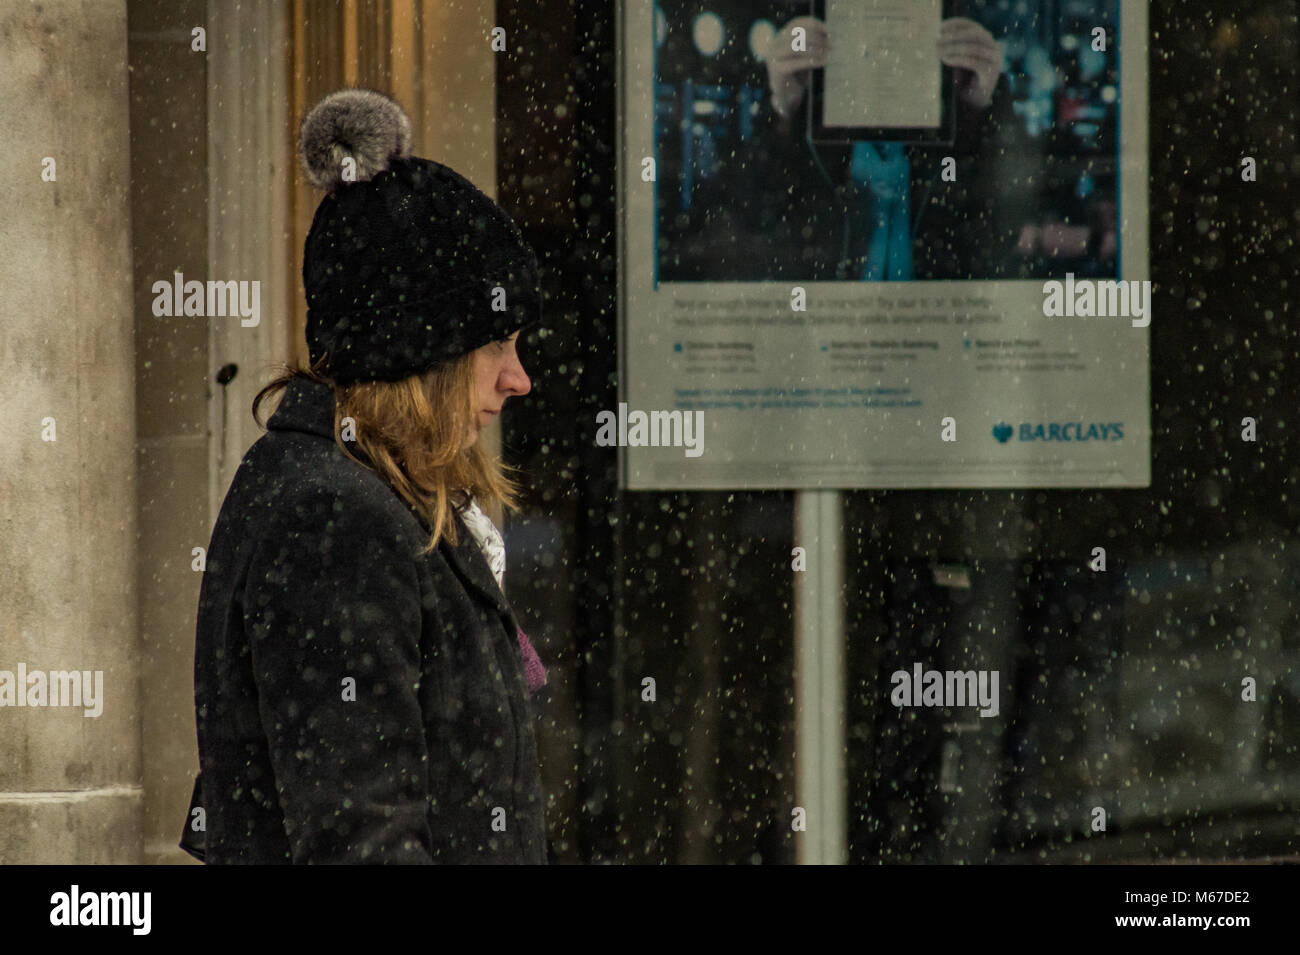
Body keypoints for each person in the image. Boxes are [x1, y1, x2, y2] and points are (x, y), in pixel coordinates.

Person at [181, 89, 548, 864]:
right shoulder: (334, 517)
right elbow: (361, 835)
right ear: (421, 353)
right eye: (496, 345)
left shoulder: (355, 492)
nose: (519, 378)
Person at [737, 13, 1019, 281]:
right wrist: (786, 111)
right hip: (845, 318)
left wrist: (977, 113)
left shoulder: (958, 87)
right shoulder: (812, 87)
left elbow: (999, 237)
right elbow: (754, 225)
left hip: (925, 318)